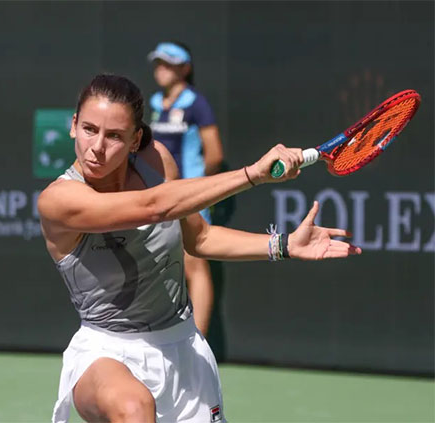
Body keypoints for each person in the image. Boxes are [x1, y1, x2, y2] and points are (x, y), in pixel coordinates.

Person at [39, 74, 361, 423]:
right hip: (104, 351)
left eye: (114, 135)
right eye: (88, 129)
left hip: (182, 350)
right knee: (133, 408)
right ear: (73, 126)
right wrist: (252, 174)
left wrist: (282, 244)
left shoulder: (156, 162)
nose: (97, 146)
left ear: (135, 140)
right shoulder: (59, 200)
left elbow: (200, 239)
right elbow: (154, 207)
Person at [148, 41, 224, 337]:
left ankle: (200, 343)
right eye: (158, 63)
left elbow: (214, 154)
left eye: (168, 64)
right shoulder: (153, 104)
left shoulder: (196, 103)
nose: (161, 69)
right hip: (157, 198)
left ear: (185, 68)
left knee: (194, 265)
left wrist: (199, 188)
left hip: (190, 196)